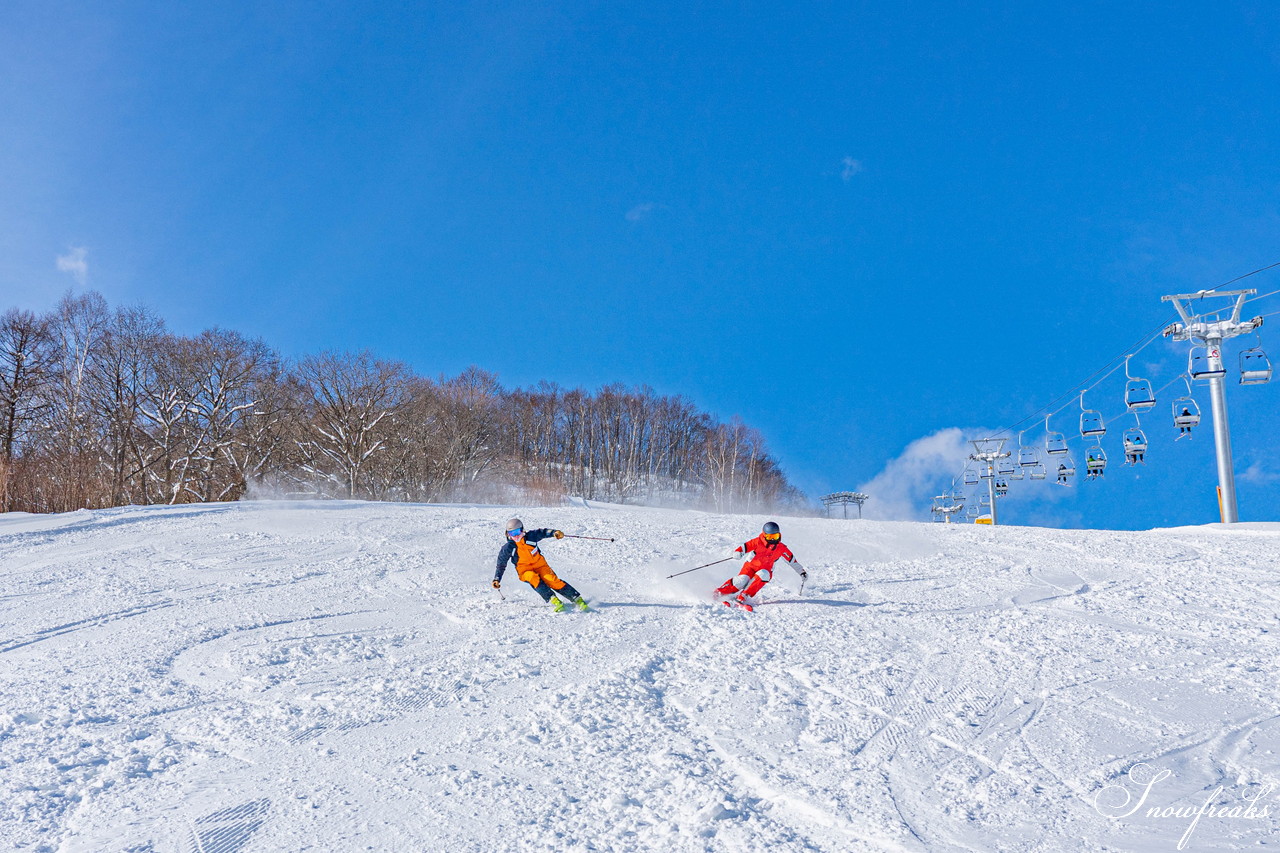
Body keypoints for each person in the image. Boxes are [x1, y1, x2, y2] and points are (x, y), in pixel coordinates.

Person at [493, 518, 589, 612]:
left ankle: (577, 599)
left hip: (541, 566)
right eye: (512, 534)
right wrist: (497, 578)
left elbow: (543, 532)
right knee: (533, 578)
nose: (515, 536)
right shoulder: (508, 547)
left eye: (517, 532)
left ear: (522, 530)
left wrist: (555, 533)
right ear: (508, 534)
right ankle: (554, 600)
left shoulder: (531, 536)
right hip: (525, 571)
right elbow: (501, 564)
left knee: (552, 580)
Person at [715, 521, 806, 611]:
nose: (773, 540)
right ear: (764, 535)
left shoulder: (781, 548)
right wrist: (738, 552)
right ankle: (720, 592)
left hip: (765, 570)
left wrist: (801, 572)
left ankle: (743, 596)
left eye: (775, 536)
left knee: (764, 574)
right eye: (770, 537)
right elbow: (745, 547)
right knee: (742, 580)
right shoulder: (758, 542)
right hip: (750, 567)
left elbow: (792, 561)